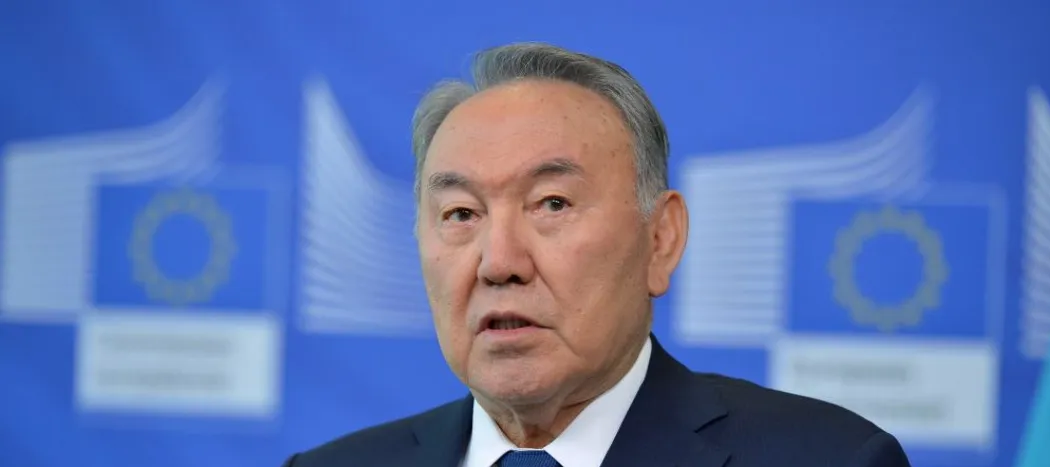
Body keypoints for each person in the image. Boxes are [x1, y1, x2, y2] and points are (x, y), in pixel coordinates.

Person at [281, 42, 911, 467]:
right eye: (462, 214)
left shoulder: (831, 459)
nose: (499, 262)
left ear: (660, 239)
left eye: (551, 204)